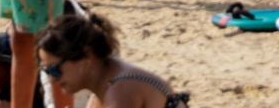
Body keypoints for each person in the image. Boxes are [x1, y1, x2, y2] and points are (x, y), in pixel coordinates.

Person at [37, 12, 186, 108]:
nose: (51, 79)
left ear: (86, 57)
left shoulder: (120, 91)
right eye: (46, 71)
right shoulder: (106, 81)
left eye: (54, 70)